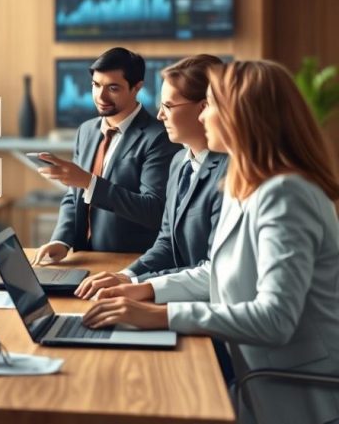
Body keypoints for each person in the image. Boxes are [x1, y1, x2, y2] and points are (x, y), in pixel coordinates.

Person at [83, 60, 339, 424]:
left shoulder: (287, 194)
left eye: (213, 106)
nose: (204, 117)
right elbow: (216, 274)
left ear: (244, 116)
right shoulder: (245, 183)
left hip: (295, 390)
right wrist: (144, 289)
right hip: (254, 375)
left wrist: (162, 316)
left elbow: (275, 318)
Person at [76, 55, 228, 297]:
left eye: (168, 106)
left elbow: (215, 271)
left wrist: (139, 287)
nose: (160, 115)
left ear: (203, 107)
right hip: (180, 299)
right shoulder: (179, 162)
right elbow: (167, 242)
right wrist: (126, 276)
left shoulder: (231, 172)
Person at [32, 47, 176, 262]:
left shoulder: (159, 137)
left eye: (113, 88)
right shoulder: (86, 130)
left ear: (137, 87)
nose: (101, 96)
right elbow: (74, 197)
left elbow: (154, 210)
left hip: (131, 262)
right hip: (84, 257)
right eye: (96, 85)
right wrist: (61, 240)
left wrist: (90, 183)